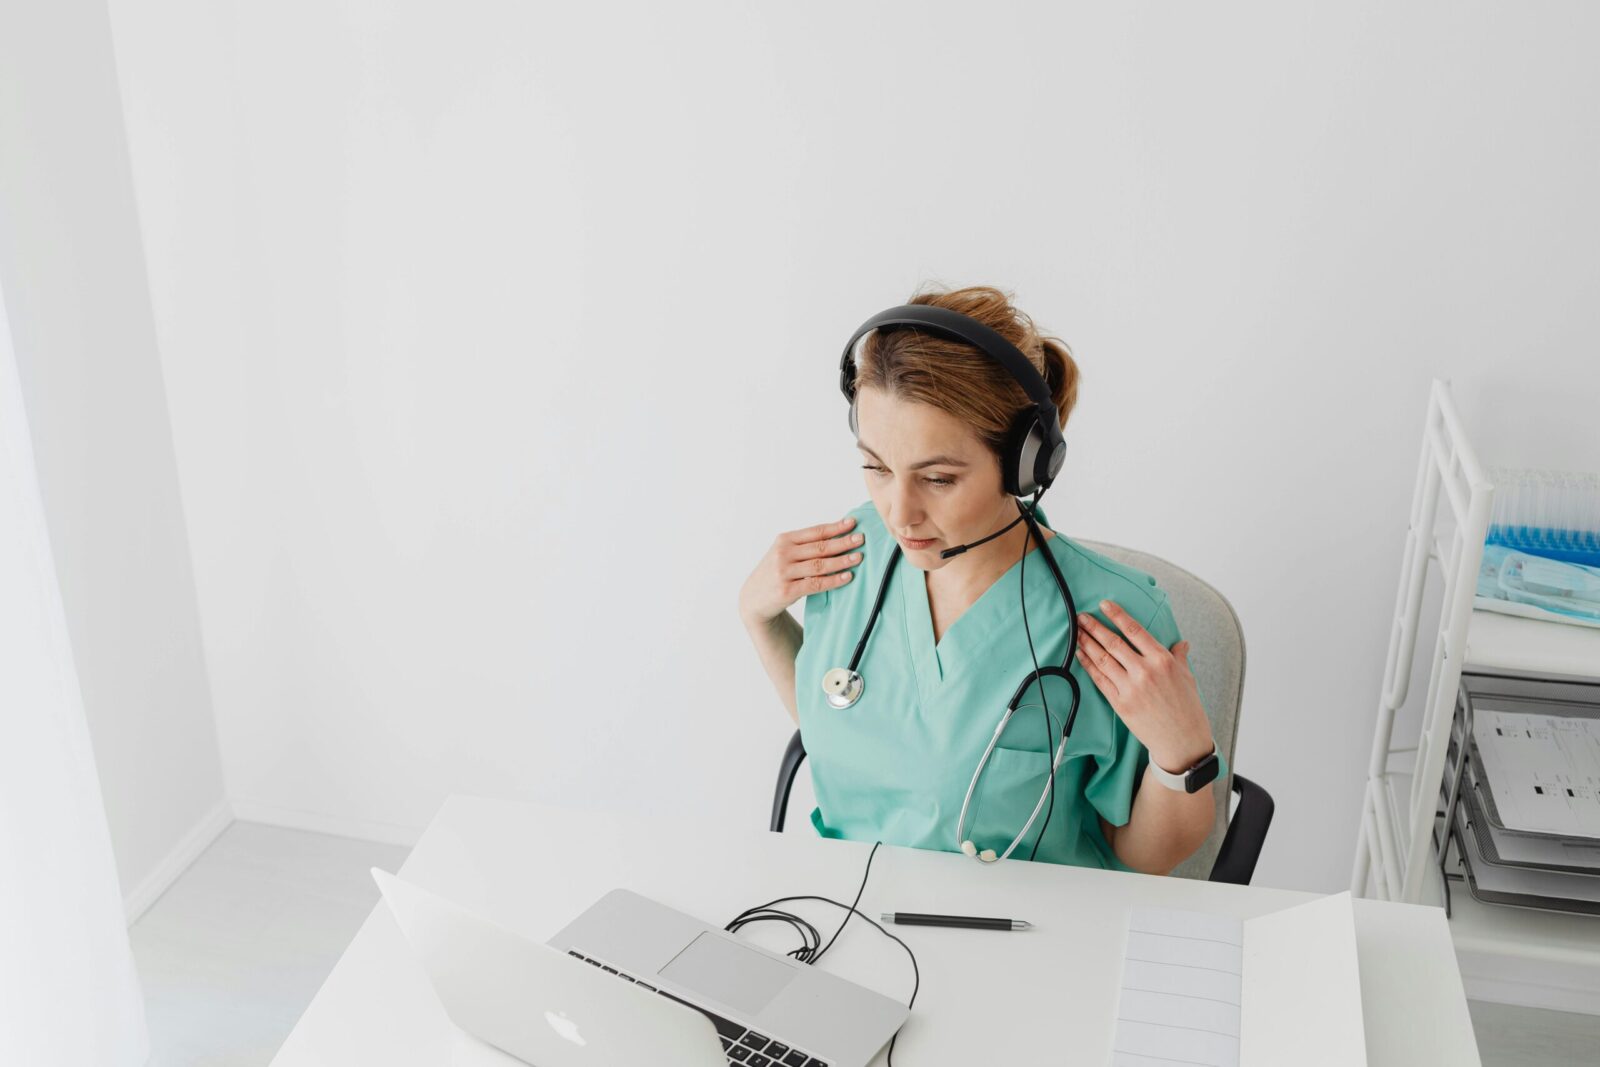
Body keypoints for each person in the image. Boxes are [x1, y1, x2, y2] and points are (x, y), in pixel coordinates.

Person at [738, 285, 1222, 874]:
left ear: (1025, 464)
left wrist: (1183, 752)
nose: (899, 513)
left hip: (1018, 935)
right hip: (845, 909)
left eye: (938, 479)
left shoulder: (1109, 616)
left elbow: (1143, 861)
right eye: (876, 467)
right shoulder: (850, 551)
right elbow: (841, 728)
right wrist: (759, 618)